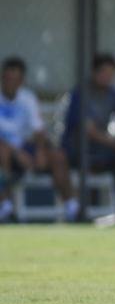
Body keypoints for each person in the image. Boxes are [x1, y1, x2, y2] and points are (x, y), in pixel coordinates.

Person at [62, 53, 115, 223]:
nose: (108, 78)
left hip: (101, 152)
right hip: (78, 151)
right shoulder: (81, 94)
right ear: (95, 73)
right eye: (104, 73)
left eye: (111, 74)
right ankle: (83, 214)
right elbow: (90, 131)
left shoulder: (112, 93)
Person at [0, 56, 78, 222]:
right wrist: (16, 152)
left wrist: (40, 152)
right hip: (5, 151)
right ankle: (5, 206)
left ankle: (72, 207)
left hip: (27, 148)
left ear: (22, 80)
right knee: (2, 152)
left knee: (58, 157)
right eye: (8, 78)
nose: (11, 83)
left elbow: (39, 130)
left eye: (16, 79)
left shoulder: (27, 98)